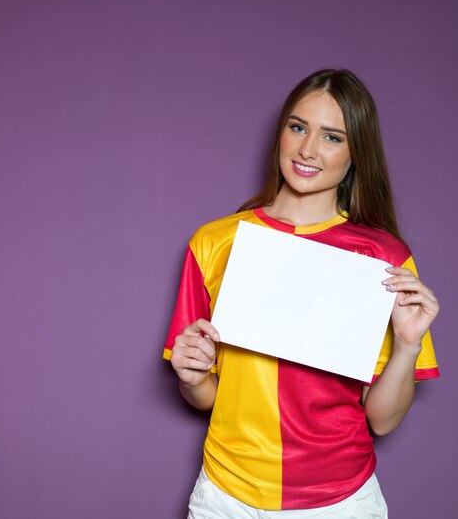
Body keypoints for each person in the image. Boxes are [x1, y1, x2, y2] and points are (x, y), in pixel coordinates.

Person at [163, 68, 440, 519]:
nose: (308, 149)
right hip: (224, 494)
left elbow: (383, 420)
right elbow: (209, 395)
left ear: (357, 153)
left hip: (339, 501)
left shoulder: (384, 257)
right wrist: (191, 378)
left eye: (333, 137)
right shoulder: (213, 242)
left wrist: (408, 345)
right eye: (298, 127)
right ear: (282, 134)